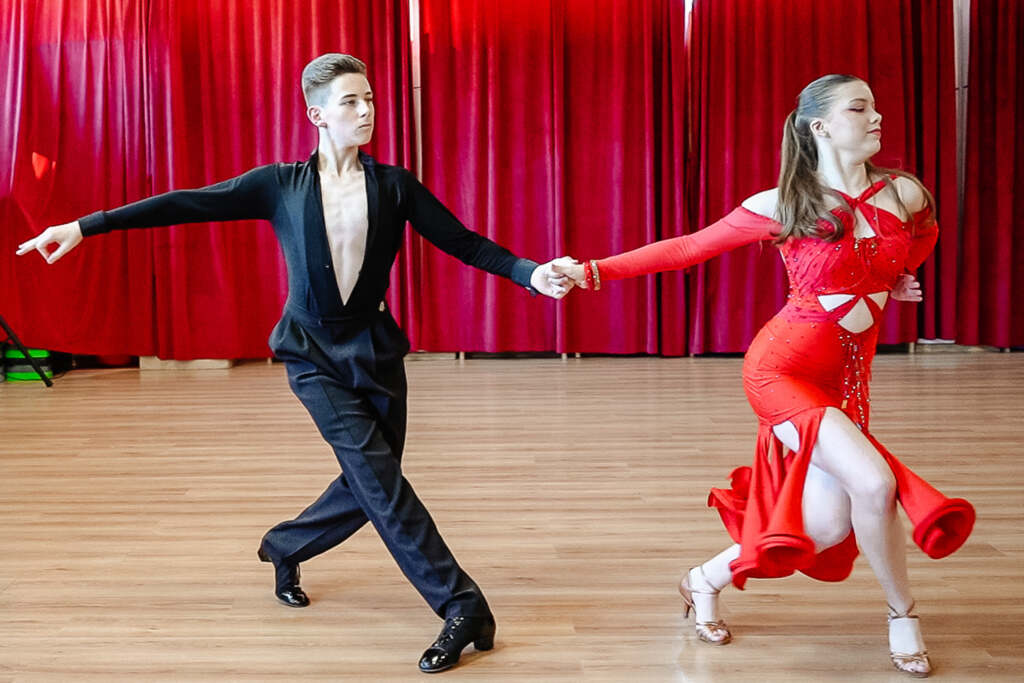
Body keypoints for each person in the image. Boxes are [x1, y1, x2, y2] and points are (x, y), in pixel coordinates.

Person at [17, 53, 574, 674]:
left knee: (371, 482)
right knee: (380, 482)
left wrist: (530, 273)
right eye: (350, 102)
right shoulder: (279, 184)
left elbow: (464, 242)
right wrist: (83, 227)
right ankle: (461, 605)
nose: (366, 110)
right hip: (311, 356)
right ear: (318, 115)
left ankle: (284, 546)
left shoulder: (395, 186)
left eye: (369, 99)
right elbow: (185, 202)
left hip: (376, 350)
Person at [555, 74, 974, 678]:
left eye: (876, 107)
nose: (876, 117)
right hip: (782, 371)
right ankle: (902, 615)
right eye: (860, 108)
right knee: (875, 485)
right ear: (819, 126)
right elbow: (685, 249)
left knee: (825, 527)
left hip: (848, 382)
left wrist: (898, 276)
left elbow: (922, 236)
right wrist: (591, 271)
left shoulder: (903, 194)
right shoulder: (783, 203)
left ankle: (702, 579)